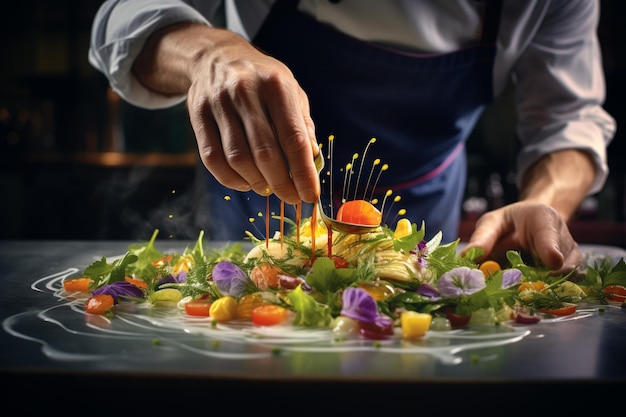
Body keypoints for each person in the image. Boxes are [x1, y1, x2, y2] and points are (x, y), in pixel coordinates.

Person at [89, 0, 615, 274]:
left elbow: (569, 122)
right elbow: (117, 20)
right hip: (255, 208)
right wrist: (208, 53)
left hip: (427, 224)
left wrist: (544, 204)